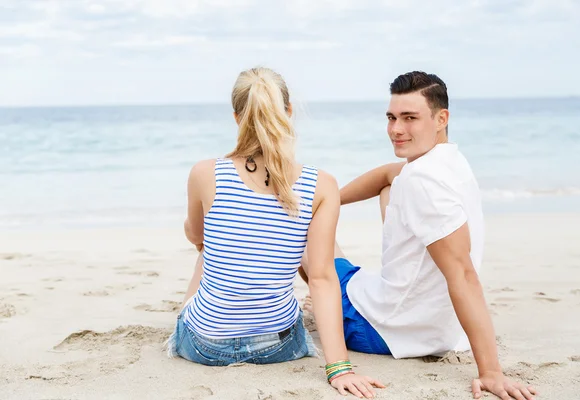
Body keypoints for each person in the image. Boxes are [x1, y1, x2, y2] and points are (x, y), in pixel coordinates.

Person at [301, 71, 537, 400]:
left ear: (441, 118)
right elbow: (385, 174)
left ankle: (328, 303)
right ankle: (331, 289)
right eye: (392, 117)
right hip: (437, 330)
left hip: (379, 329)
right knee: (389, 186)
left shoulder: (423, 181)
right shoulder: (449, 160)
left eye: (410, 118)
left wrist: (491, 373)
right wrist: (330, 201)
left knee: (296, 224)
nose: (396, 129)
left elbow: (464, 275)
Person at [166, 67, 384, 398]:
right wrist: (339, 367)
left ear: (238, 117)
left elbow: (195, 234)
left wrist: (195, 232)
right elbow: (323, 278)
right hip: (277, 347)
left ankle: (211, 319)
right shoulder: (321, 185)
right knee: (308, 253)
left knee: (206, 247)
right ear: (289, 112)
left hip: (204, 346)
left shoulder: (205, 173)